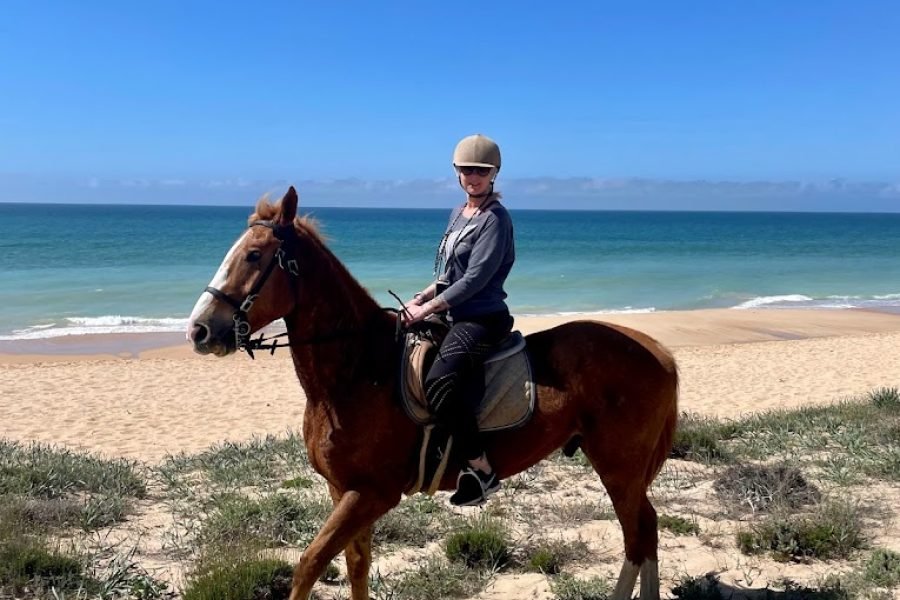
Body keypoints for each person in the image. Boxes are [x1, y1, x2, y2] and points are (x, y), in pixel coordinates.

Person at [402, 134, 516, 506]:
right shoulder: (458, 213)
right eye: (467, 169)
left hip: (482, 317)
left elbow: (475, 280)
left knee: (440, 382)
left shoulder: (495, 220)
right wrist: (420, 298)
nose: (474, 176)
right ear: (457, 173)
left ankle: (481, 468)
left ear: (494, 173)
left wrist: (428, 310)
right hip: (451, 312)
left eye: (481, 171)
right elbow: (449, 274)